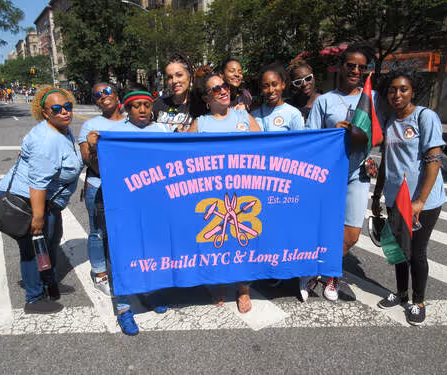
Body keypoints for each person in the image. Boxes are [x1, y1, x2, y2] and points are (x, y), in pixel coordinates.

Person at [86, 85, 171, 335]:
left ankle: (151, 293)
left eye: (146, 105)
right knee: (123, 254)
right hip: (124, 203)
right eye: (136, 105)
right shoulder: (114, 132)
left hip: (154, 202)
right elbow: (101, 163)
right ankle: (123, 308)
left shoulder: (161, 130)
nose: (142, 110)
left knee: (153, 251)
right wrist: (93, 145)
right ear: (127, 108)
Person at [0, 86, 83, 314]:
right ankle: (33, 299)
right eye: (57, 109)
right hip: (25, 201)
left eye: (68, 106)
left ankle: (49, 283)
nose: (64, 112)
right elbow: (37, 184)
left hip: (47, 202)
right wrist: (36, 219)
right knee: (32, 247)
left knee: (52, 240)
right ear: (45, 113)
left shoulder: (62, 130)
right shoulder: (48, 139)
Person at [306, 42, 380, 301]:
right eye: (351, 65)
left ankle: (328, 272)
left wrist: (367, 149)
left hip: (357, 174)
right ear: (340, 67)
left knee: (351, 234)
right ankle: (318, 272)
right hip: (327, 175)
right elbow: (311, 139)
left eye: (362, 67)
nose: (356, 71)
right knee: (322, 228)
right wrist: (333, 131)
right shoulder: (324, 101)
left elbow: (379, 135)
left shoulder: (372, 98)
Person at [372, 70, 445, 325]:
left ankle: (418, 300)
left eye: (403, 89)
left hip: (422, 200)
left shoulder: (426, 117)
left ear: (412, 91)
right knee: (398, 251)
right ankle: (401, 293)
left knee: (416, 252)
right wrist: (377, 194)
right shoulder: (390, 121)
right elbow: (386, 163)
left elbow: (434, 160)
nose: (397, 94)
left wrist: (420, 202)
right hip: (396, 199)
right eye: (392, 90)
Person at [188, 74, 260, 313]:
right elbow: (182, 156)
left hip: (243, 188)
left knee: (243, 240)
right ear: (207, 98)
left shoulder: (243, 116)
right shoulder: (200, 123)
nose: (222, 90)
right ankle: (218, 283)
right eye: (215, 88)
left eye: (225, 86)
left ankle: (243, 289)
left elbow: (267, 145)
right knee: (215, 239)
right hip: (210, 191)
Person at [77, 83, 126, 297]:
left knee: (126, 230)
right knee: (98, 232)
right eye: (97, 94)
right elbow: (89, 161)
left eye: (106, 91)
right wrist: (94, 147)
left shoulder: (131, 121)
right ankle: (100, 273)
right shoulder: (90, 125)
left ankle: (126, 270)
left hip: (130, 183)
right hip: (99, 182)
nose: (102, 96)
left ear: (116, 94)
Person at [251, 63, 304, 131]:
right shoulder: (254, 115)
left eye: (275, 84)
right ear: (261, 88)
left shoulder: (293, 114)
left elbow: (299, 140)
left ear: (283, 85)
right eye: (265, 86)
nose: (271, 90)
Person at [153, 53, 194, 132]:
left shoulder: (201, 106)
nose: (174, 81)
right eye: (169, 77)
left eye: (179, 75)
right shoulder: (158, 104)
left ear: (190, 77)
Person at [287, 57, 321, 122]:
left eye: (308, 78)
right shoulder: (288, 106)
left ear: (314, 78)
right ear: (292, 85)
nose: (304, 84)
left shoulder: (325, 102)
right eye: (298, 82)